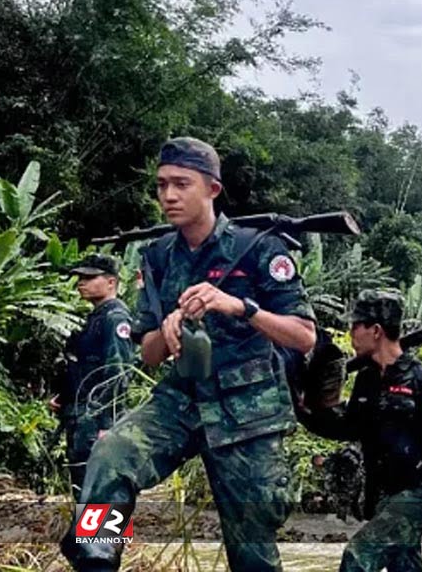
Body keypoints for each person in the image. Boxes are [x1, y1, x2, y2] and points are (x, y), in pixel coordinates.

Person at [61, 137, 317, 572]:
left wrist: (239, 306)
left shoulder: (260, 249)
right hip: (182, 397)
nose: (169, 196)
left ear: (212, 189)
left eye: (182, 184)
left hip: (248, 410)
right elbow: (148, 353)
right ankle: (96, 556)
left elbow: (304, 336)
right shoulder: (158, 257)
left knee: (251, 550)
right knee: (112, 454)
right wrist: (166, 328)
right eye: (161, 186)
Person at [309, 290, 422, 571]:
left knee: (357, 558)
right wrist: (310, 411)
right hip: (384, 492)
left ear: (375, 331)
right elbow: (348, 427)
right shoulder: (367, 379)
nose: (350, 333)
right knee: (405, 566)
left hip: (417, 492)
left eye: (355, 326)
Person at [50, 254, 134, 499]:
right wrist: (64, 397)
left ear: (111, 282)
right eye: (80, 278)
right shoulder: (96, 317)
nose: (81, 283)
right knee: (84, 482)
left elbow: (118, 373)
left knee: (101, 482)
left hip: (97, 417)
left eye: (89, 277)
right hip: (81, 414)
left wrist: (108, 424)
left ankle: (106, 537)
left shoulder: (114, 318)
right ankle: (94, 536)